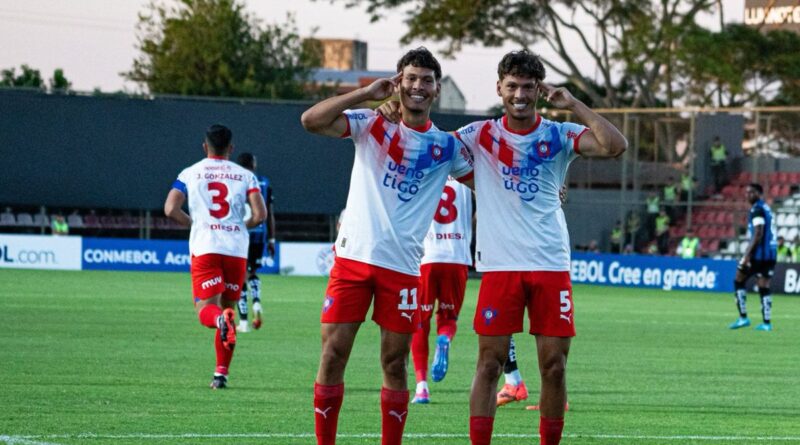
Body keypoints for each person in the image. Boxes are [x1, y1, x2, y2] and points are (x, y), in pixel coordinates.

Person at [300, 47, 474, 445]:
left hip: (404, 269)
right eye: (410, 78)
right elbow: (311, 121)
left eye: (426, 80)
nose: (417, 86)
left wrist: (552, 189)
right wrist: (365, 94)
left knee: (394, 363)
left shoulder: (446, 147)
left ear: (436, 89)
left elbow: (492, 186)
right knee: (332, 355)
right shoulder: (370, 123)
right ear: (398, 81)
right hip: (354, 261)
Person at [452, 50, 626, 445]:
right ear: (499, 88)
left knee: (554, 367)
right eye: (511, 86)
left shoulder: (559, 134)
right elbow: (437, 154)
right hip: (499, 266)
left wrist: (573, 104)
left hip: (550, 263)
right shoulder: (478, 135)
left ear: (538, 91)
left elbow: (615, 145)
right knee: (489, 364)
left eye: (528, 87)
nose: (519, 94)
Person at [163, 124, 267, 389]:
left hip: (206, 246)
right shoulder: (245, 176)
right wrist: (240, 225)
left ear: (204, 146)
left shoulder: (190, 172)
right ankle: (221, 374)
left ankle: (220, 321)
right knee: (229, 309)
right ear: (231, 148)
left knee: (206, 311)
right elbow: (260, 215)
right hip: (235, 249)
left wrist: (195, 224)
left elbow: (170, 208)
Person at [411, 177, 473, 404]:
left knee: (420, 321)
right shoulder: (465, 172)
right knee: (448, 318)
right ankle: (445, 337)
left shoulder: (425, 169)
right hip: (456, 257)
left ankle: (421, 388)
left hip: (426, 257)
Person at [235, 152, 276, 333]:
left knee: (239, 276)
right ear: (253, 164)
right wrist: (272, 238)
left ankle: (243, 322)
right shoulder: (264, 183)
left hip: (241, 233)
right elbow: (270, 214)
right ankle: (257, 301)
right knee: (252, 271)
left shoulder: (234, 180)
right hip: (260, 234)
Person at [729, 183, 777, 332]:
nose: (747, 195)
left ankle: (743, 318)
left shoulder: (757, 209)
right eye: (746, 192)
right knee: (764, 286)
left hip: (759, 255)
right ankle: (766, 323)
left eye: (751, 192)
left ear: (759, 193)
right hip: (771, 254)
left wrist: (746, 256)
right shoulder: (766, 208)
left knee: (738, 279)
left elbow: (758, 233)